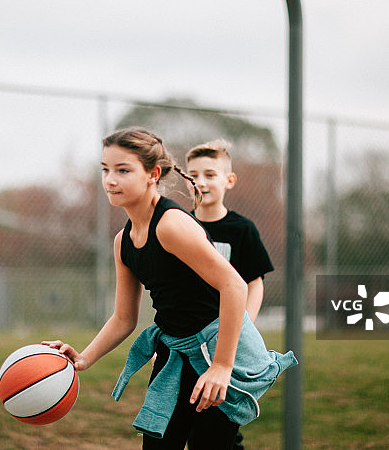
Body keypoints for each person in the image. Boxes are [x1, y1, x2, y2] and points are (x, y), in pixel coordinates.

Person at [44, 127, 296, 450]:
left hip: (217, 350)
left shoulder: (171, 225)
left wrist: (221, 366)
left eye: (123, 170)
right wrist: (84, 358)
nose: (110, 180)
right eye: (105, 169)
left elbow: (234, 285)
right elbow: (123, 318)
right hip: (174, 351)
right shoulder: (123, 242)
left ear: (153, 174)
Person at [185, 139, 275, 450]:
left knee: (217, 426)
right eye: (193, 174)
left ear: (229, 180)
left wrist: (239, 330)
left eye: (210, 174)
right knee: (186, 426)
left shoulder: (241, 229)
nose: (200, 182)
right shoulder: (178, 226)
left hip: (225, 345)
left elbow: (254, 283)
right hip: (186, 341)